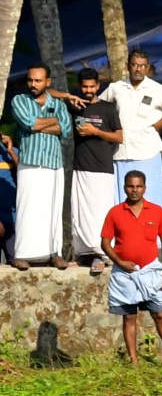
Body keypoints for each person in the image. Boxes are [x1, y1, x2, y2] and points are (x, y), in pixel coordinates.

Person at [101, 169, 162, 367]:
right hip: (124, 274)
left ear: (145, 188)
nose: (134, 190)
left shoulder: (156, 211)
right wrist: (120, 262)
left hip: (151, 270)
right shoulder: (115, 212)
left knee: (159, 313)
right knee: (129, 316)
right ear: (124, 187)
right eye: (130, 186)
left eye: (138, 186)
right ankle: (134, 361)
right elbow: (105, 243)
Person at [100, 51, 162, 217]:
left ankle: (153, 243)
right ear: (127, 66)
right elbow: (98, 108)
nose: (138, 69)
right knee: (122, 204)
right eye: (135, 65)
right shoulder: (116, 88)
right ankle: (123, 242)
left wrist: (159, 125)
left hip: (148, 153)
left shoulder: (156, 89)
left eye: (142, 66)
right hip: (121, 153)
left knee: (150, 203)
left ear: (147, 68)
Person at [9, 63, 69, 267]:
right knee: (27, 207)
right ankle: (22, 254)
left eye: (38, 80)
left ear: (48, 82)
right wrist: (53, 122)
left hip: (53, 161)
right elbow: (28, 123)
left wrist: (40, 124)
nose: (33, 84)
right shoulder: (20, 100)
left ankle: (55, 253)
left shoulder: (59, 103)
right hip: (30, 160)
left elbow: (66, 128)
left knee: (53, 209)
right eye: (30, 80)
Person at [69, 67, 125, 265]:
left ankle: (102, 254)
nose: (88, 90)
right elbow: (49, 92)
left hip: (102, 167)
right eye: (84, 87)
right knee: (79, 212)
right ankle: (83, 254)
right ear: (79, 87)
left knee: (101, 211)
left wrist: (95, 131)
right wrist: (69, 96)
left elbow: (119, 136)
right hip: (80, 167)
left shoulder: (108, 108)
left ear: (98, 86)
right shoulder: (75, 105)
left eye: (92, 86)